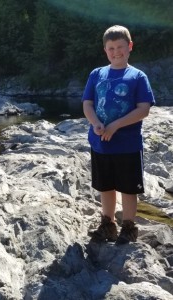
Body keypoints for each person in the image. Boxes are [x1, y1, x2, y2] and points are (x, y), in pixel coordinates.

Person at [82, 25, 155, 245]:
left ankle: (129, 228)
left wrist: (115, 126)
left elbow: (144, 109)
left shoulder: (138, 76)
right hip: (100, 143)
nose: (116, 52)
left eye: (120, 47)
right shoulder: (97, 74)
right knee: (106, 186)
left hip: (128, 145)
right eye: (111, 48)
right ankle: (108, 224)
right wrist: (96, 123)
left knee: (128, 187)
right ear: (105, 49)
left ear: (129, 47)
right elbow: (88, 103)